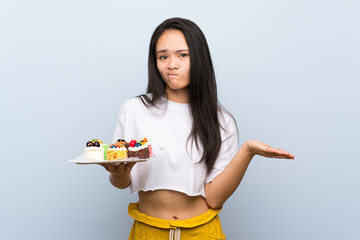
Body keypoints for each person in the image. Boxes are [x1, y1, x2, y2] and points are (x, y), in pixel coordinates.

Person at [100, 17, 294, 240]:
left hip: (203, 233)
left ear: (199, 58)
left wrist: (247, 151)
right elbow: (121, 183)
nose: (172, 64)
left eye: (183, 55)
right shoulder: (134, 110)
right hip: (148, 232)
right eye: (163, 56)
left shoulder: (221, 121)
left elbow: (214, 198)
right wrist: (118, 174)